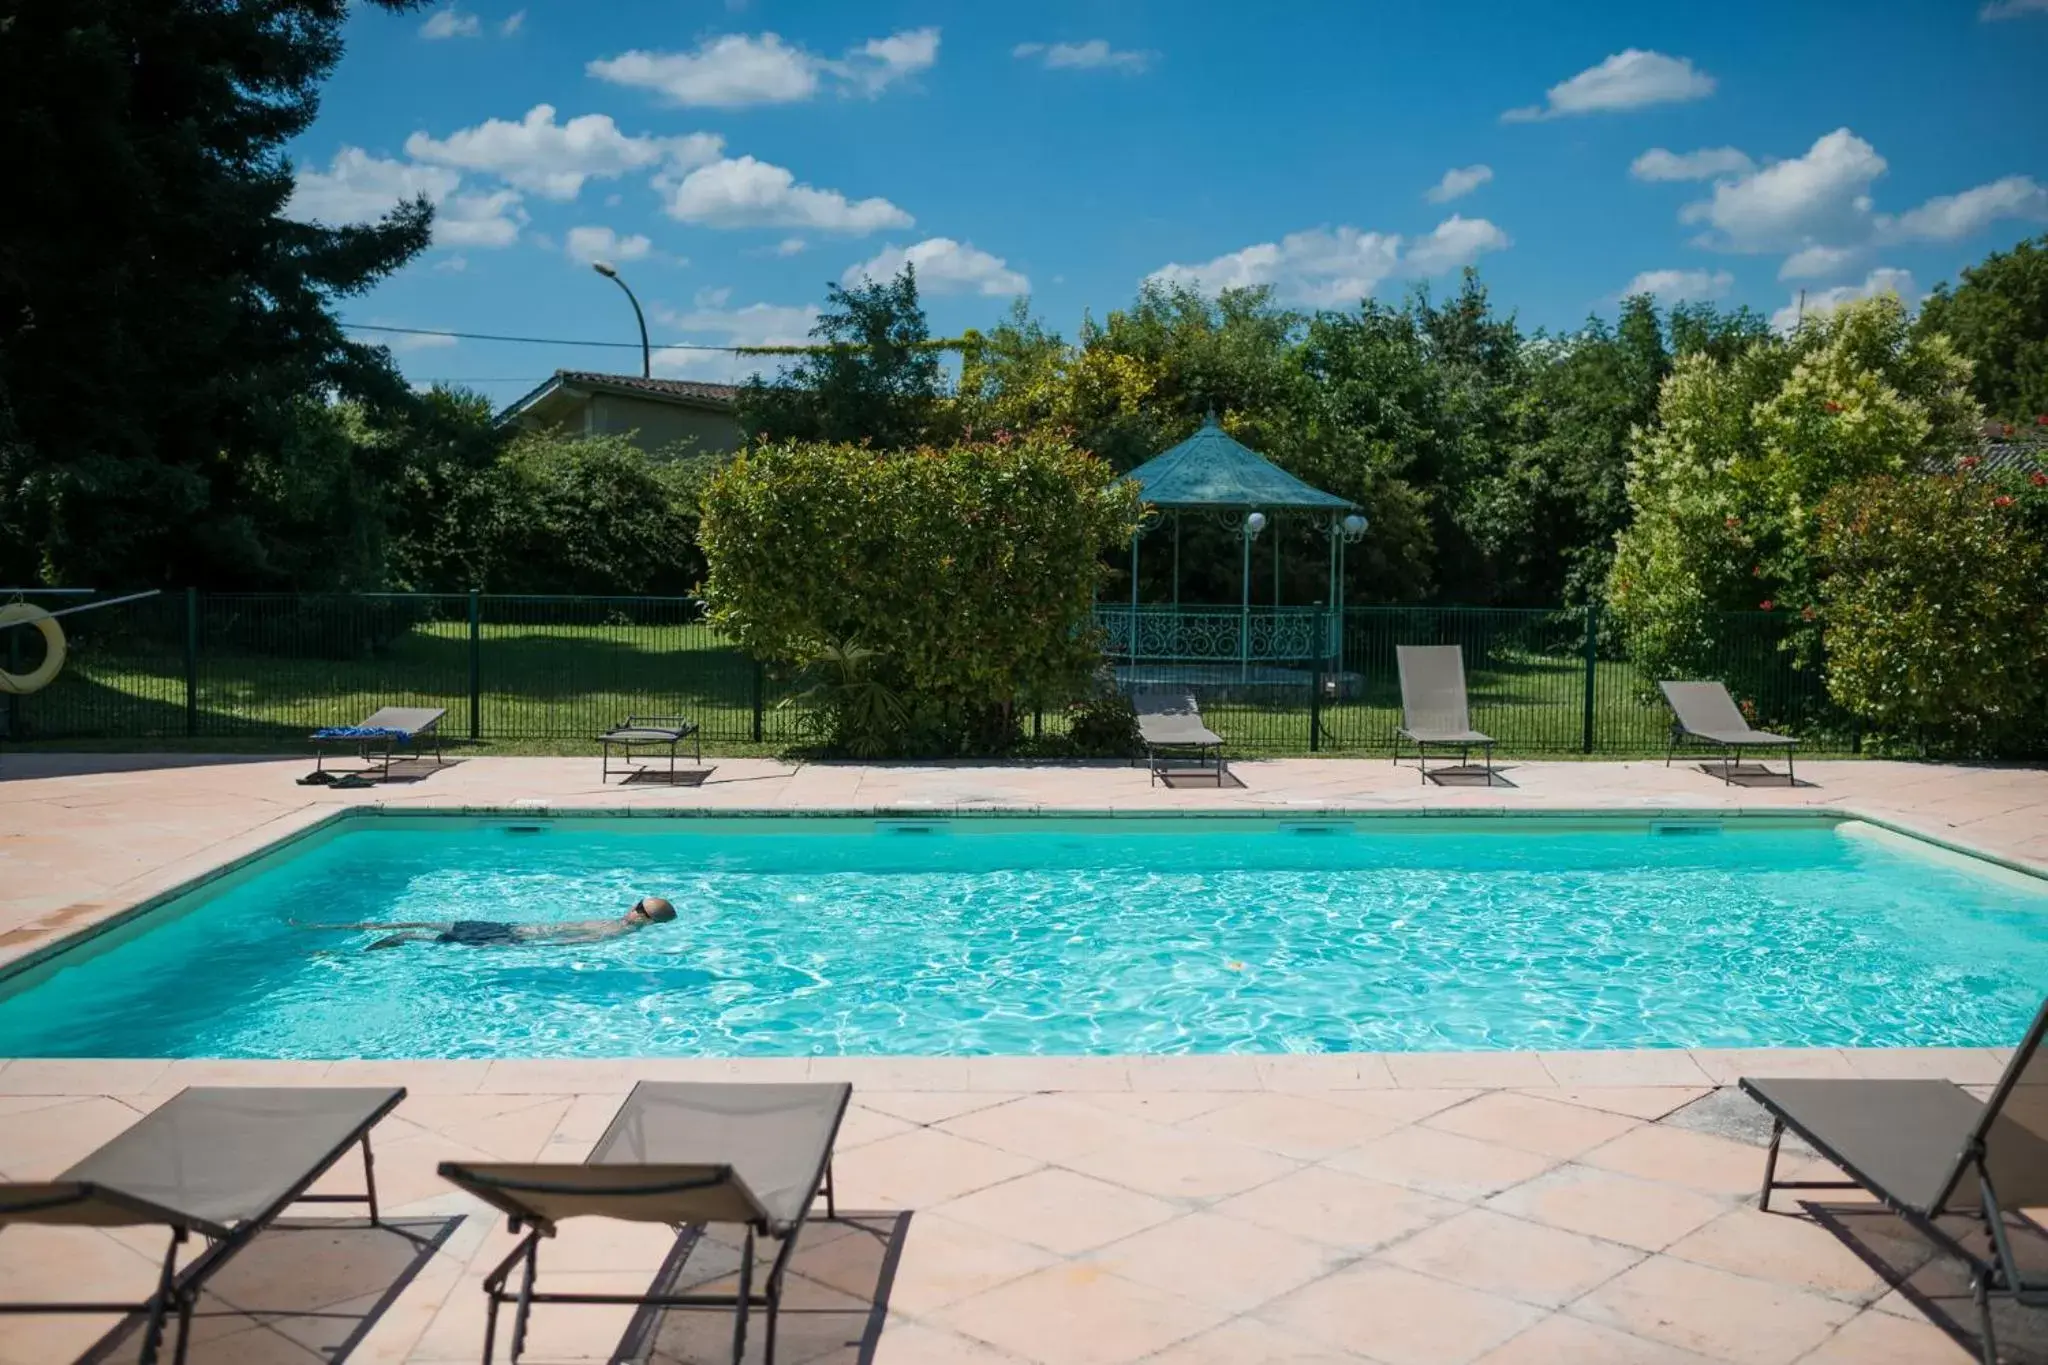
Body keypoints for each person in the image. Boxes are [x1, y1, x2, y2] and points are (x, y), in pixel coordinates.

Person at [297, 897, 677, 950]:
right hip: (508, 927)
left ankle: (342, 954)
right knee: (424, 922)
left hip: (507, 936)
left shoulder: (612, 932)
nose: (629, 907)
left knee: (413, 933)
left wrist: (516, 943)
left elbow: (562, 944)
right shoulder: (616, 925)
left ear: (643, 916)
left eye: (636, 905)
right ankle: (342, 929)